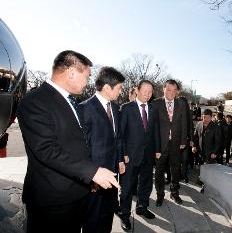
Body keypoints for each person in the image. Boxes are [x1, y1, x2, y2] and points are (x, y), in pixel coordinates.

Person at [17, 50, 120, 233]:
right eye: (87, 76)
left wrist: (89, 180)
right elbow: (46, 150)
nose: (88, 82)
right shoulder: (35, 101)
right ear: (72, 72)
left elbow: (81, 144)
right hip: (52, 201)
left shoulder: (71, 102)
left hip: (77, 194)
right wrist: (92, 172)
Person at [78, 67, 126, 233]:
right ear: (107, 87)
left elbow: (117, 138)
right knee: (93, 217)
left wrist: (119, 159)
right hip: (95, 176)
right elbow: (82, 148)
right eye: (119, 88)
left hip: (111, 173)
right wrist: (90, 175)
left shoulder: (115, 108)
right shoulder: (85, 109)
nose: (121, 91)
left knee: (107, 214)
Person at [118, 80, 160, 231]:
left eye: (150, 92)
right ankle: (124, 215)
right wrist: (123, 154)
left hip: (148, 155)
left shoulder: (153, 109)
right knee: (127, 187)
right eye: (145, 91)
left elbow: (155, 131)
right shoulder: (127, 108)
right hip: (131, 156)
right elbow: (120, 134)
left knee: (146, 184)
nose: (148, 95)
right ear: (137, 90)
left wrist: (157, 149)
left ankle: (142, 207)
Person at [153, 79, 188, 206]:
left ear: (177, 91)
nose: (171, 93)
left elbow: (184, 122)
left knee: (175, 169)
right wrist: (155, 146)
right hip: (161, 144)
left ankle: (174, 193)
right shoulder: (156, 103)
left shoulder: (181, 104)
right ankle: (160, 195)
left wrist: (184, 140)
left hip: (176, 143)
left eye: (174, 90)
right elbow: (153, 126)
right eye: (168, 89)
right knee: (159, 171)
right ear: (163, 89)